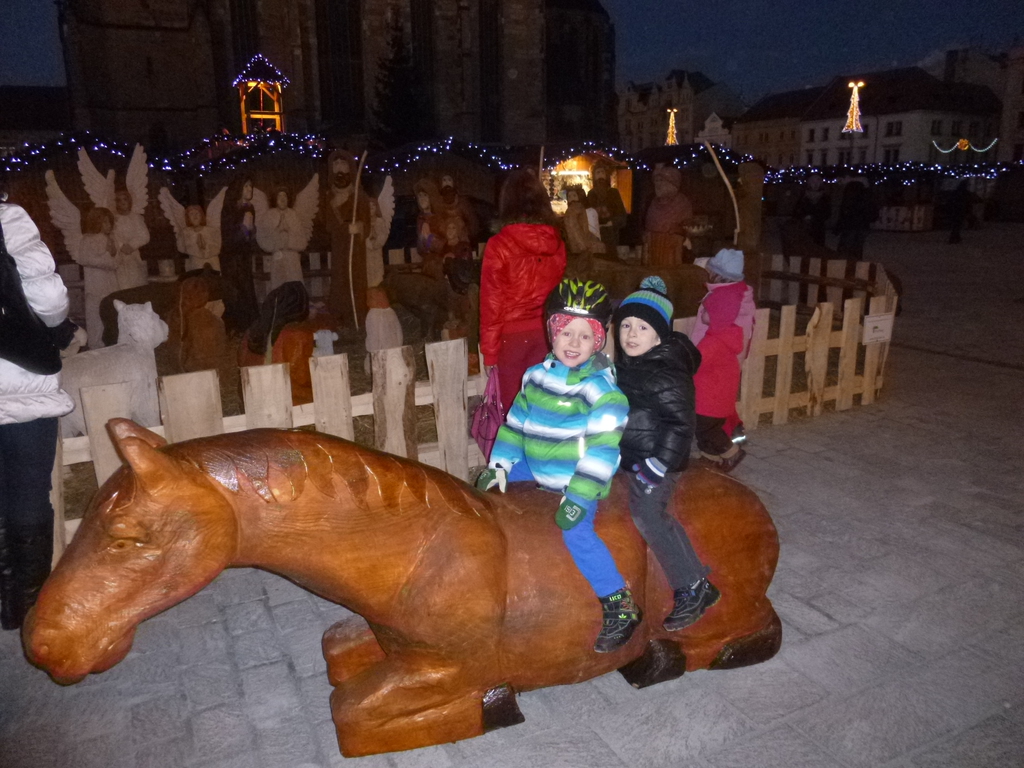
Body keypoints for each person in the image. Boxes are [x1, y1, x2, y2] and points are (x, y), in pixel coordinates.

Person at [476, 279, 640, 653]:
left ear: (598, 341)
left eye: (585, 335)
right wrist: (500, 465)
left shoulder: (603, 391)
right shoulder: (535, 377)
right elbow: (515, 425)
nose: (573, 342)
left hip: (575, 475)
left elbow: (602, 450)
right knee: (491, 499)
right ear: (552, 332)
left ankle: (618, 602)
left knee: (576, 533)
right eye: (566, 332)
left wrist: (579, 496)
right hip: (534, 465)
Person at [612, 276, 720, 630]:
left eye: (642, 327)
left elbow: (680, 425)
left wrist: (658, 465)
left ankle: (693, 584)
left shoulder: (668, 373)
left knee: (647, 513)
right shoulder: (629, 366)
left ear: (659, 336)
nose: (631, 334)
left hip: (658, 463)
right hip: (629, 457)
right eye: (626, 325)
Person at [0, 198, 75, 630]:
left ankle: (5, 606)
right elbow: (48, 298)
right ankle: (29, 613)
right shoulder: (7, 218)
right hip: (22, 378)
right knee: (28, 494)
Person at [480, 168, 567, 418]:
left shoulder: (498, 245)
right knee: (545, 409)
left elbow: (491, 303)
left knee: (514, 413)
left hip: (512, 339)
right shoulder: (557, 243)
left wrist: (489, 352)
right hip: (548, 334)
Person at [690, 248, 756, 443]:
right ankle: (735, 432)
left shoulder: (725, 296)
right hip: (729, 349)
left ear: (718, 274)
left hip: (718, 352)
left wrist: (706, 314)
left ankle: (724, 439)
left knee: (714, 396)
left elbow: (717, 321)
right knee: (723, 394)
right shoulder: (737, 290)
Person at [692, 278, 747, 472]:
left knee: (705, 428)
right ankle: (710, 457)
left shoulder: (713, 342)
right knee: (706, 429)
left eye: (706, 310)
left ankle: (731, 452)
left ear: (717, 314)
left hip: (709, 402)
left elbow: (695, 363)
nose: (702, 312)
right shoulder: (725, 337)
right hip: (719, 400)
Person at [238, 281, 318, 405]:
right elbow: (302, 377)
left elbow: (241, 363)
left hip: (252, 402)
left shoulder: (252, 331)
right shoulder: (297, 335)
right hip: (285, 403)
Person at [75, 207, 121, 347]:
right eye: (105, 222)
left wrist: (111, 257)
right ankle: (96, 346)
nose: (108, 225)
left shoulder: (111, 239)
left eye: (110, 222)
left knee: (111, 315)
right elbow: (84, 259)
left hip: (110, 284)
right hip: (95, 285)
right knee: (95, 318)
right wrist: (107, 258)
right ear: (96, 222)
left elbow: (116, 262)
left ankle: (112, 344)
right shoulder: (87, 239)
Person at [219, 177, 260, 333]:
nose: (250, 189)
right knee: (235, 292)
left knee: (246, 290)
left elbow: (248, 237)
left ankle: (249, 325)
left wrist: (250, 230)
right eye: (246, 186)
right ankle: (236, 327)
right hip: (231, 259)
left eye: (251, 186)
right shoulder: (229, 209)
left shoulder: (249, 208)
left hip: (243, 257)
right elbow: (228, 237)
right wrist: (244, 228)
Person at [643, 165, 692, 267]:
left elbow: (687, 226)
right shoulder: (653, 203)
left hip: (673, 251)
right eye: (656, 181)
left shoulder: (681, 202)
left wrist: (679, 233)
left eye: (661, 181)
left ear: (672, 184)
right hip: (653, 251)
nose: (658, 185)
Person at [112, 188, 150, 288]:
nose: (123, 202)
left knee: (135, 282)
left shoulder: (136, 218)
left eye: (125, 199)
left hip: (133, 254)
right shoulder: (113, 219)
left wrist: (132, 245)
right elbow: (112, 235)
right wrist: (120, 245)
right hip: (118, 254)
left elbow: (144, 236)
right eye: (119, 200)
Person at [585, 163, 627, 254]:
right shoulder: (591, 194)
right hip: (595, 235)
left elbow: (622, 215)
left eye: (602, 172)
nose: (600, 175)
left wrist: (611, 223)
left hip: (611, 234)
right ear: (594, 176)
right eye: (598, 173)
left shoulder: (613, 193)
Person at [834, 181, 877, 259]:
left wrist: (838, 228)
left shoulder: (850, 197)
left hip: (851, 227)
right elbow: (872, 214)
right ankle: (855, 262)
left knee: (846, 248)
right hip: (861, 227)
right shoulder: (866, 198)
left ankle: (846, 262)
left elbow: (843, 214)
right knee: (857, 248)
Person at [793, 172, 831, 247]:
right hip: (805, 228)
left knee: (818, 248)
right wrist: (804, 217)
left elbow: (827, 213)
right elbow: (796, 212)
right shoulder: (803, 197)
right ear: (809, 182)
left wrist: (814, 217)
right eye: (813, 181)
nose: (815, 184)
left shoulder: (825, 197)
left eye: (818, 181)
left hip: (818, 228)